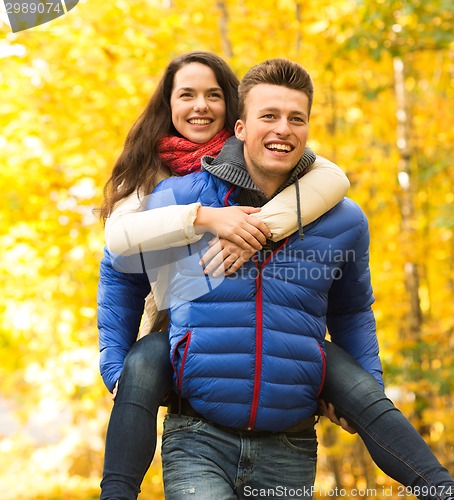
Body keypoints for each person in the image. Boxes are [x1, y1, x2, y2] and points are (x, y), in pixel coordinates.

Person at [97, 54, 454, 500]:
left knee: (362, 391)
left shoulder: (341, 216)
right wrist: (112, 362)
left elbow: (352, 310)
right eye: (269, 116)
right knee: (143, 363)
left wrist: (364, 389)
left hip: (289, 436)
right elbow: (120, 264)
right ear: (240, 127)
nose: (283, 129)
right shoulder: (177, 194)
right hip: (198, 428)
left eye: (296, 119)